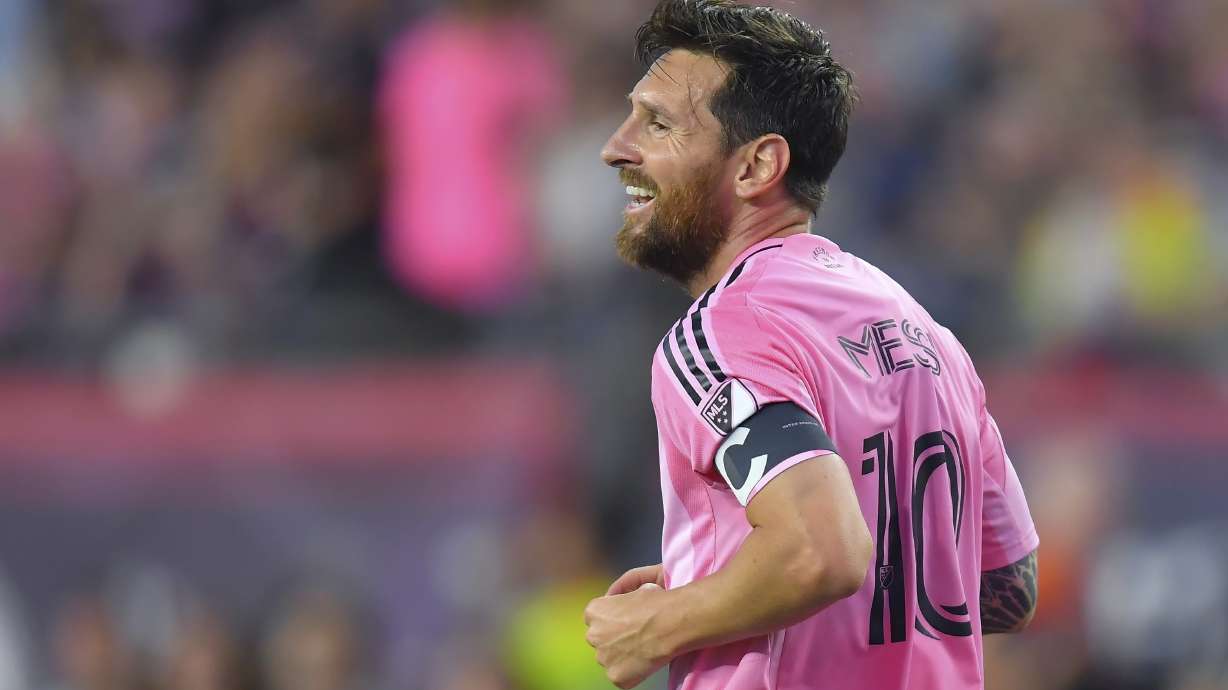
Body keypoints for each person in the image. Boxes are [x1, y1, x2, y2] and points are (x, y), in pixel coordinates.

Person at [582, 2, 1040, 689]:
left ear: (756, 165)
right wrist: (737, 583)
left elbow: (823, 552)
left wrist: (660, 622)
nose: (616, 147)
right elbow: (1009, 586)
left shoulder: (720, 333)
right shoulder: (926, 335)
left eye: (658, 124)